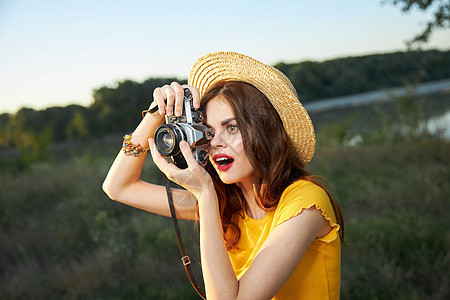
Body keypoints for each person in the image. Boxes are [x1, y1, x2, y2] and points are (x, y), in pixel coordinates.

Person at [103, 52, 344, 300]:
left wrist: (205, 194)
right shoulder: (228, 203)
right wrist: (156, 114)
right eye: (208, 131)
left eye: (232, 127)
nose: (214, 142)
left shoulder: (306, 203)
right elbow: (119, 186)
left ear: (266, 131)